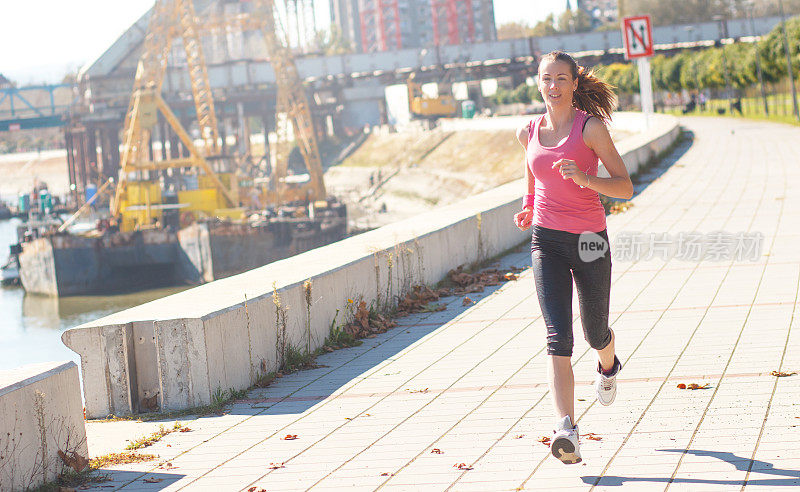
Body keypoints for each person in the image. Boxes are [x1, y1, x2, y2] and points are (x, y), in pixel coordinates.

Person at [513, 51, 633, 465]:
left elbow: (625, 187)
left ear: (574, 84)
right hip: (545, 239)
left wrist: (585, 179)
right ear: (539, 83)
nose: (553, 87)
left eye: (561, 79)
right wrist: (529, 205)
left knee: (594, 332)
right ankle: (566, 429)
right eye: (547, 79)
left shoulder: (591, 129)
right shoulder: (528, 130)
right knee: (556, 338)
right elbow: (532, 172)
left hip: (589, 240)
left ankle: (608, 363)